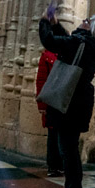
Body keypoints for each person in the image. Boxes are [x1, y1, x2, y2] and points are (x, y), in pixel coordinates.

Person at [38, 12, 95, 188]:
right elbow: (69, 41)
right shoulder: (88, 45)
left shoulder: (81, 43)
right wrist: (56, 25)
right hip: (78, 102)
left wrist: (44, 22)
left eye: (87, 21)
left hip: (69, 102)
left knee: (68, 152)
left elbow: (50, 42)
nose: (83, 21)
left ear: (92, 29)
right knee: (70, 150)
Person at [34, 49, 65, 177]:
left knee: (64, 133)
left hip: (64, 100)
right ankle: (53, 165)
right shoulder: (47, 56)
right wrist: (42, 105)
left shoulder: (68, 54)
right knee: (53, 133)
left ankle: (62, 164)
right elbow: (41, 80)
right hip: (52, 101)